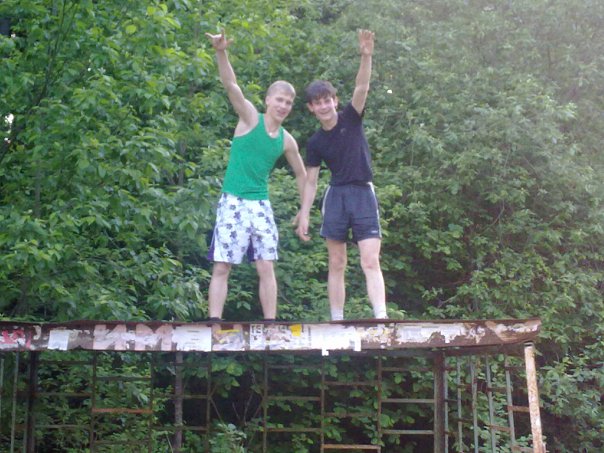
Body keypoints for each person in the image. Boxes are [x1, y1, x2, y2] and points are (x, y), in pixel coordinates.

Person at [205, 30, 306, 321]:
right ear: (268, 100)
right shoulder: (250, 118)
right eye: (279, 100)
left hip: (260, 204)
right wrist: (221, 51)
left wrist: (304, 210)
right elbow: (231, 85)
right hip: (233, 199)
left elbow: (302, 175)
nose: (283, 106)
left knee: (266, 265)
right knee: (222, 265)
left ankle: (270, 323)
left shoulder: (286, 140)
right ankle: (214, 322)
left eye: (288, 102)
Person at [295, 29, 387, 321]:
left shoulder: (351, 118)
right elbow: (311, 180)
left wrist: (366, 55)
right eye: (317, 103)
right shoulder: (315, 142)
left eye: (327, 100)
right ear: (311, 108)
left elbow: (362, 86)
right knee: (336, 262)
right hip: (336, 197)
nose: (324, 106)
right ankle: (337, 320)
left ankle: (382, 318)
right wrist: (304, 213)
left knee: (370, 260)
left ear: (335, 101)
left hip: (362, 194)